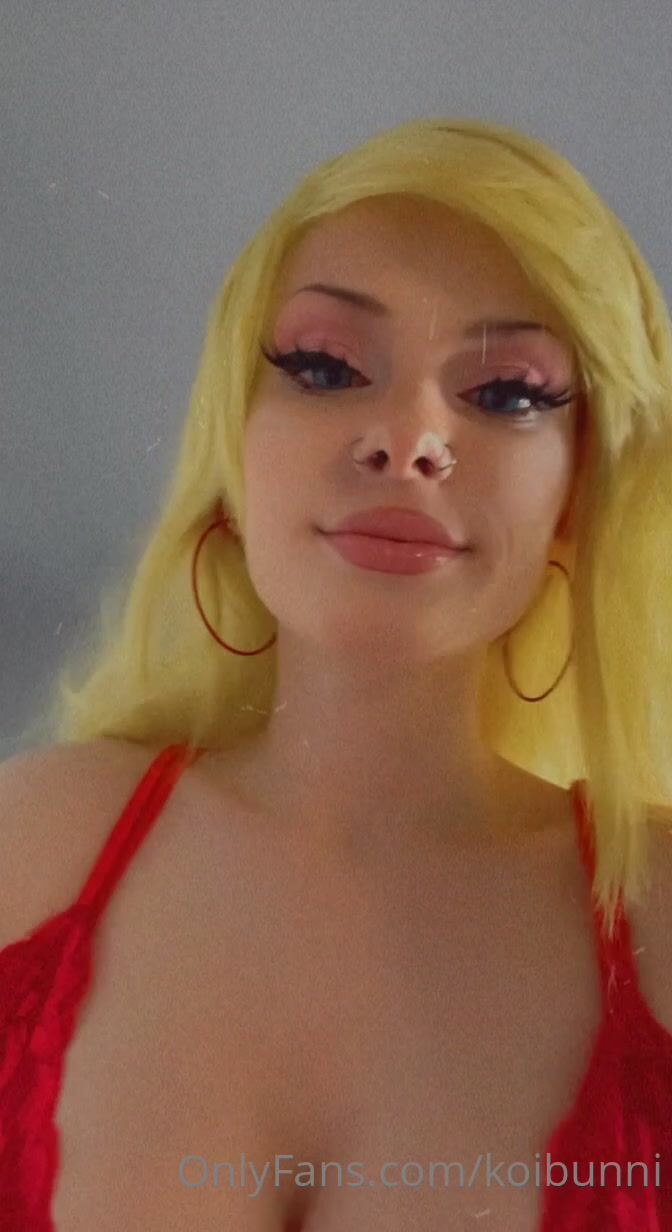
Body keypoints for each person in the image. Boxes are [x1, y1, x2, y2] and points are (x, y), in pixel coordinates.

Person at [2, 116, 672, 1230]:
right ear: (233, 443)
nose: (407, 438)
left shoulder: (661, 924)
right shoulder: (27, 848)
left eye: (508, 392)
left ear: (582, 490)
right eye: (324, 366)